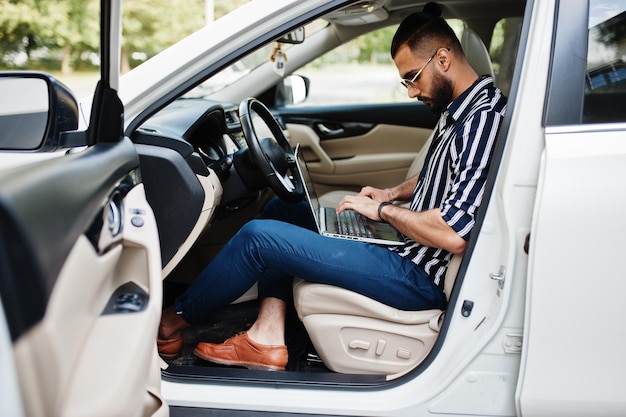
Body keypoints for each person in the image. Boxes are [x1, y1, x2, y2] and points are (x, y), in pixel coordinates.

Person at [157, 4, 507, 371]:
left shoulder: (481, 120)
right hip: (408, 248)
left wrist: (383, 212)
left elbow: (454, 234)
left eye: (412, 78)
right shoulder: (463, 110)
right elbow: (444, 173)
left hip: (417, 274)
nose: (410, 92)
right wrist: (390, 194)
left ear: (443, 59)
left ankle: (170, 323)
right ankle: (267, 335)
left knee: (258, 238)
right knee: (280, 211)